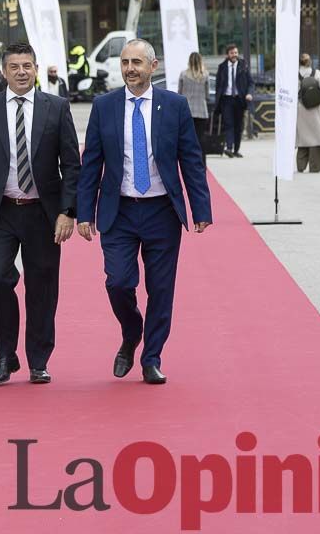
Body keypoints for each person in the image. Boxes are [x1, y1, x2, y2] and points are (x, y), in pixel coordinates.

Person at [76, 39, 212, 385]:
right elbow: (91, 162)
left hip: (161, 211)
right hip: (118, 211)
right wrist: (83, 213)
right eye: (125, 62)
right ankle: (132, 330)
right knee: (119, 282)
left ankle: (151, 357)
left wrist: (201, 207)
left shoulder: (175, 105)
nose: (129, 68)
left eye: (137, 62)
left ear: (154, 66)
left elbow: (191, 160)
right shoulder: (104, 106)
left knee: (161, 289)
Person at [0, 43, 81, 385]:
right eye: (15, 67)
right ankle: (4, 355)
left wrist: (68, 211)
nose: (22, 72)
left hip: (43, 214)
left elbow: (72, 165)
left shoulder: (56, 107)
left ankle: (38, 360)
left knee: (42, 288)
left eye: (27, 65)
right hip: (0, 212)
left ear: (36, 68)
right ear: (4, 72)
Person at [296, 54, 320, 173]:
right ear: (310, 62)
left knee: (303, 139)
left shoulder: (295, 74)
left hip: (301, 109)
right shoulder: (317, 74)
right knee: (317, 138)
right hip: (316, 109)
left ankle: (301, 165)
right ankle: (315, 166)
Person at [214, 43, 253, 158]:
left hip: (240, 100)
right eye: (232, 53)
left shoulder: (243, 65)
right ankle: (229, 147)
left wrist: (249, 93)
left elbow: (251, 82)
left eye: (236, 52)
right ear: (228, 55)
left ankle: (236, 149)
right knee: (228, 124)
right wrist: (218, 98)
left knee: (238, 125)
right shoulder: (222, 67)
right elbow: (218, 85)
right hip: (226, 100)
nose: (234, 55)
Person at [176, 51, 209, 165]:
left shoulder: (183, 75)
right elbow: (207, 94)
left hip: (187, 111)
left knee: (188, 139)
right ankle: (202, 162)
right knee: (201, 139)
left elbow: (179, 93)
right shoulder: (205, 75)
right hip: (201, 111)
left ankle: (188, 163)